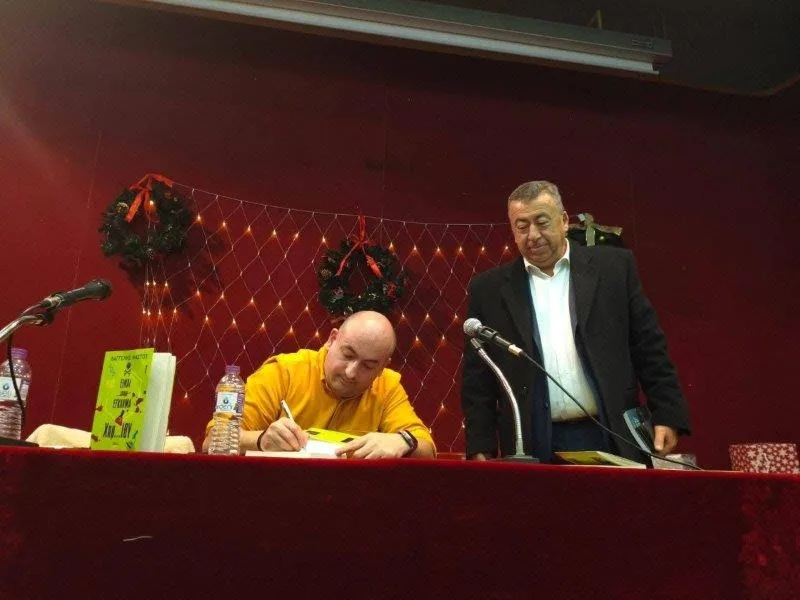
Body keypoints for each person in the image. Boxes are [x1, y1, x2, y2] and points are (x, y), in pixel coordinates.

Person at [461, 180, 690, 462]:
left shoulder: (613, 270)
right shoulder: (489, 290)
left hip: (610, 430)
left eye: (542, 222)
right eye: (522, 227)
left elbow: (649, 347)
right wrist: (480, 446)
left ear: (564, 221)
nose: (533, 235)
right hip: (532, 441)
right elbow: (478, 379)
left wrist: (666, 414)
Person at [203, 310, 435, 459]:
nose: (351, 373)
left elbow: (427, 448)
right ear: (331, 339)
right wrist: (261, 440)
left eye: (368, 366)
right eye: (348, 354)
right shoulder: (284, 372)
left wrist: (404, 440)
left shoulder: (388, 386)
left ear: (383, 367)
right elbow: (212, 440)